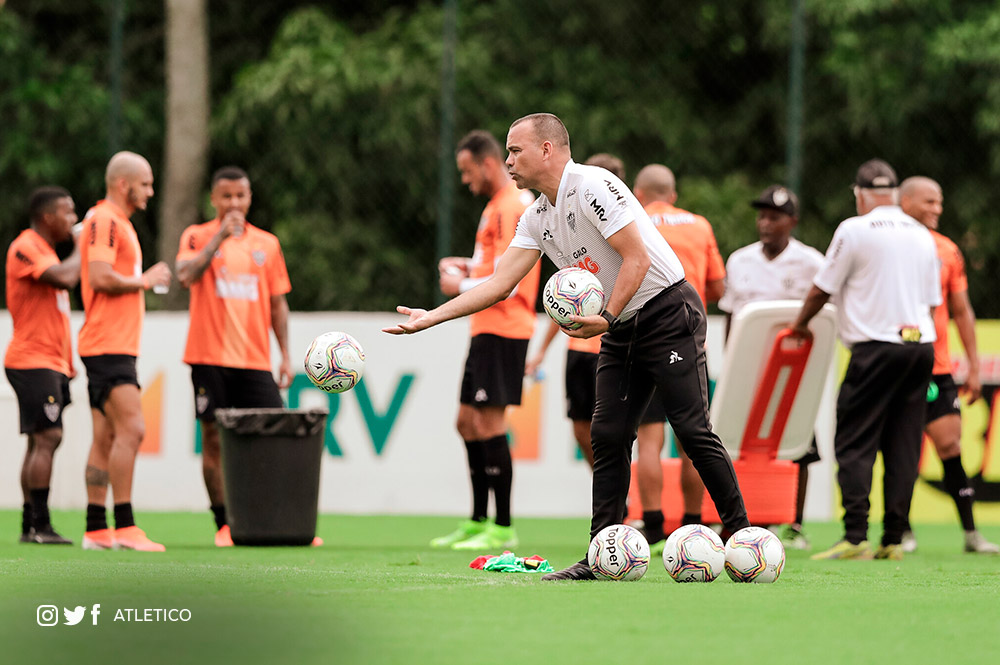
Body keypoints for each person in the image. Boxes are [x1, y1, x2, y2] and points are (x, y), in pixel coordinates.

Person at [385, 113, 749, 579]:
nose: (508, 161)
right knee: (608, 435)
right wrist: (432, 316)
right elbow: (498, 284)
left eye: (515, 150)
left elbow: (637, 259)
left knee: (692, 430)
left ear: (547, 150)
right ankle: (602, 556)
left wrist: (606, 317)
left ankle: (744, 537)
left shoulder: (593, 185)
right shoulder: (536, 216)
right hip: (620, 325)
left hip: (667, 312)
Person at [793, 159, 940, 561]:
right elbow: (931, 302)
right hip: (919, 345)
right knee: (904, 443)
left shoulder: (854, 229)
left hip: (875, 348)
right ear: (893, 194)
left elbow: (822, 287)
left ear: (859, 194)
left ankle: (856, 535)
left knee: (855, 441)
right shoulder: (922, 234)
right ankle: (893, 538)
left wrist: (799, 324)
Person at [429, 130, 540, 551]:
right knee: (466, 421)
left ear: (487, 164)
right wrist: (466, 266)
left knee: (490, 423)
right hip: (484, 326)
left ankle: (503, 525)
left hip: (505, 327)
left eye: (466, 170)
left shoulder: (513, 205)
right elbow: (493, 266)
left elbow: (510, 282)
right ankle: (478, 520)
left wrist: (458, 286)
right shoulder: (495, 206)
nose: (464, 179)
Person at [175, 166, 294, 547]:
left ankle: (274, 522)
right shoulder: (196, 236)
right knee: (213, 439)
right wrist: (219, 240)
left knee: (274, 437)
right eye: (226, 196)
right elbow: (185, 275)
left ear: (250, 198)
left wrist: (285, 355)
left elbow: (278, 303)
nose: (233, 203)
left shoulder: (267, 244)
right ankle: (224, 523)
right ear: (213, 199)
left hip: (255, 359)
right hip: (208, 356)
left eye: (240, 196)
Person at [717, 185, 825, 550]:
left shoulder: (811, 262)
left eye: (774, 217)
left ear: (792, 221)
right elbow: (731, 315)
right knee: (739, 444)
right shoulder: (740, 260)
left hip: (791, 369)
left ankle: (794, 523)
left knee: (798, 444)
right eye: (762, 216)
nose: (765, 223)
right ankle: (743, 519)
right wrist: (731, 361)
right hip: (748, 367)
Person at [898, 176, 998, 554]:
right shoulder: (888, 247)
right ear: (905, 202)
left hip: (937, 368)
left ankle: (971, 534)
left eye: (939, 202)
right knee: (900, 448)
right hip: (897, 365)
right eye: (929, 201)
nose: (937, 209)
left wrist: (973, 365)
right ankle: (901, 531)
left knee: (950, 444)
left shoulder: (948, 250)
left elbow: (962, 310)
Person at [79, 151, 172, 552]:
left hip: (112, 344)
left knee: (106, 436)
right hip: (108, 344)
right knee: (133, 430)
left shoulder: (119, 224)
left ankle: (96, 529)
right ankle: (126, 526)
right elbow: (100, 277)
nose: (150, 191)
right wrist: (145, 281)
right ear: (123, 184)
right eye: (145, 184)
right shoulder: (105, 220)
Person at [631, 164, 725, 553]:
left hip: (642, 339)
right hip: (687, 339)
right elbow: (718, 286)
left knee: (648, 442)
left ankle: (653, 525)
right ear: (673, 194)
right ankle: (692, 523)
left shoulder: (633, 221)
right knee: (693, 438)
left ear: (638, 193)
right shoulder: (699, 225)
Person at [523, 153, 627, 469]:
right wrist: (541, 351)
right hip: (579, 349)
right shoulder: (571, 230)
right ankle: (608, 488)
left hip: (617, 346)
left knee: (615, 431)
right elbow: (565, 299)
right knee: (582, 430)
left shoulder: (627, 230)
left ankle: (622, 490)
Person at [5, 186, 81, 544]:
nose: (74, 219)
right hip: (32, 360)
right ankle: (40, 524)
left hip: (51, 362)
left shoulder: (47, 251)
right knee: (49, 436)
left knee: (40, 440)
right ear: (48, 217)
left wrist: (67, 362)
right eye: (68, 212)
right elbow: (65, 278)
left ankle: (29, 525)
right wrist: (84, 246)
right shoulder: (26, 246)